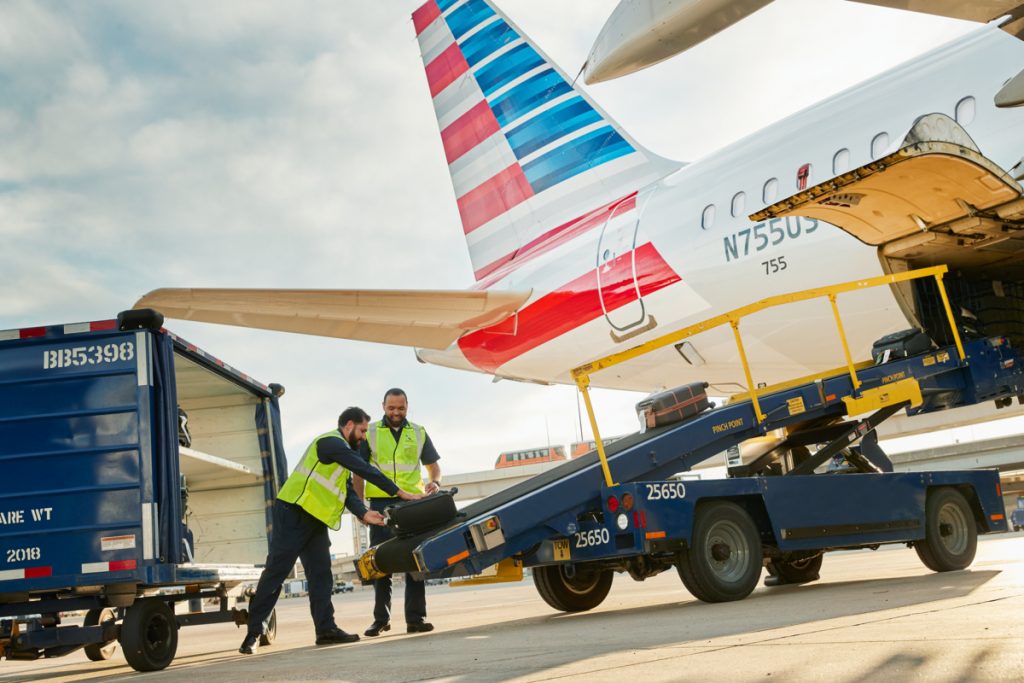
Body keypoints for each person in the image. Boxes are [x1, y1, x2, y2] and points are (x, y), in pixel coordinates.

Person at [239, 407, 422, 654]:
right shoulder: (329, 443)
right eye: (362, 430)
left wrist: (364, 513)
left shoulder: (343, 456)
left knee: (322, 577)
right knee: (276, 573)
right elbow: (364, 469)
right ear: (348, 425)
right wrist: (399, 492)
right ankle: (253, 633)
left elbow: (346, 490)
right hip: (293, 513)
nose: (364, 436)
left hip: (316, 521)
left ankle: (325, 630)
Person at [353, 388, 442, 636]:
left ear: (407, 406)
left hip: (412, 503)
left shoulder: (418, 432)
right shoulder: (369, 432)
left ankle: (416, 618)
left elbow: (434, 468)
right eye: (391, 408)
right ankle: (381, 619)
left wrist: (435, 482)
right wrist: (361, 508)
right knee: (381, 560)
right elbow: (357, 471)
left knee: (416, 559)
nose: (396, 412)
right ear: (383, 406)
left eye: (400, 408)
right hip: (381, 503)